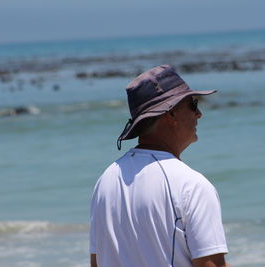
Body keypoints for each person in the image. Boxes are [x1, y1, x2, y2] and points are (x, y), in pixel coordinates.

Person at [89, 64, 230, 267]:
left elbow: (97, 262)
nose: (199, 114)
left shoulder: (106, 181)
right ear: (171, 113)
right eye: (193, 104)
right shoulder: (191, 185)